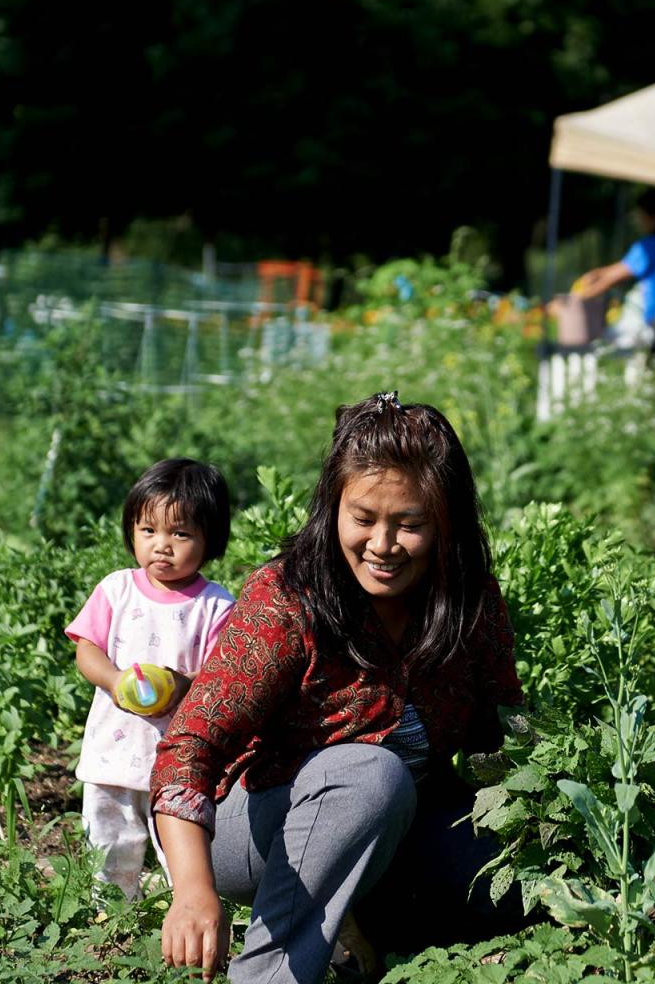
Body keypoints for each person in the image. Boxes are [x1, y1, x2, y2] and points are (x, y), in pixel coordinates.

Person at [151, 393, 526, 983]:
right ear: (334, 509)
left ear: (446, 521)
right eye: (364, 519)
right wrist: (194, 893)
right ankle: (269, 974)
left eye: (410, 524)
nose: (382, 545)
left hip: (386, 826)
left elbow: (502, 733)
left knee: (511, 880)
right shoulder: (289, 598)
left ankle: (359, 930)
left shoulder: (468, 605)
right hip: (248, 827)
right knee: (369, 772)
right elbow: (188, 749)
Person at [65, 458, 236, 900]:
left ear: (209, 540)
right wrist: (115, 679)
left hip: (180, 760)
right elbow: (87, 649)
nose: (162, 545)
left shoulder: (217, 606)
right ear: (132, 532)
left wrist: (182, 685)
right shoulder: (116, 589)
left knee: (182, 850)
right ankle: (112, 917)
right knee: (109, 844)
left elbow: (222, 674)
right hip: (113, 753)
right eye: (148, 531)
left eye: (180, 533)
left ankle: (187, 912)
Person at [571, 192, 655, 346]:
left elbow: (615, 277)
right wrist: (595, 274)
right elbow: (617, 269)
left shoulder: (649, 246)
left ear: (654, 218)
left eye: (640, 216)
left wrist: (576, 299)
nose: (638, 221)